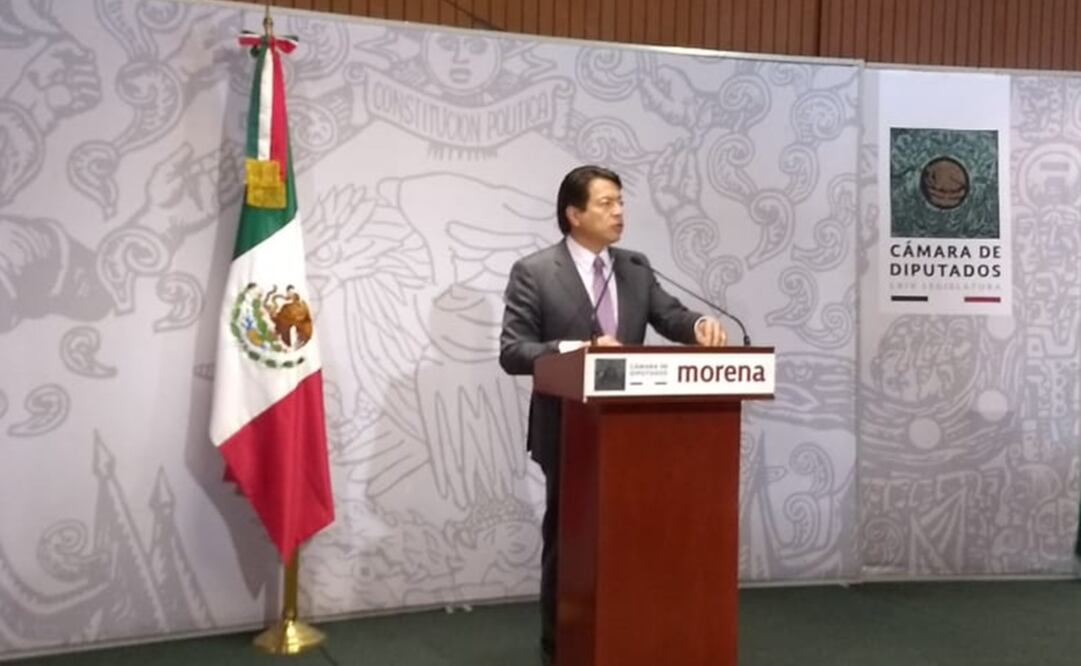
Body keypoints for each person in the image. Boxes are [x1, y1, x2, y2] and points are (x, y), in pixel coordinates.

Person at [498, 164, 726, 664]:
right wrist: (579, 349)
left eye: (621, 202)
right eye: (606, 203)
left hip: (635, 433)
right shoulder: (535, 271)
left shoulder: (635, 267)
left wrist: (699, 326)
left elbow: (670, 316)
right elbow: (513, 351)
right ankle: (560, 645)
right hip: (568, 430)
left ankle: (630, 639)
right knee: (571, 541)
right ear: (574, 214)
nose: (619, 212)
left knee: (635, 538)